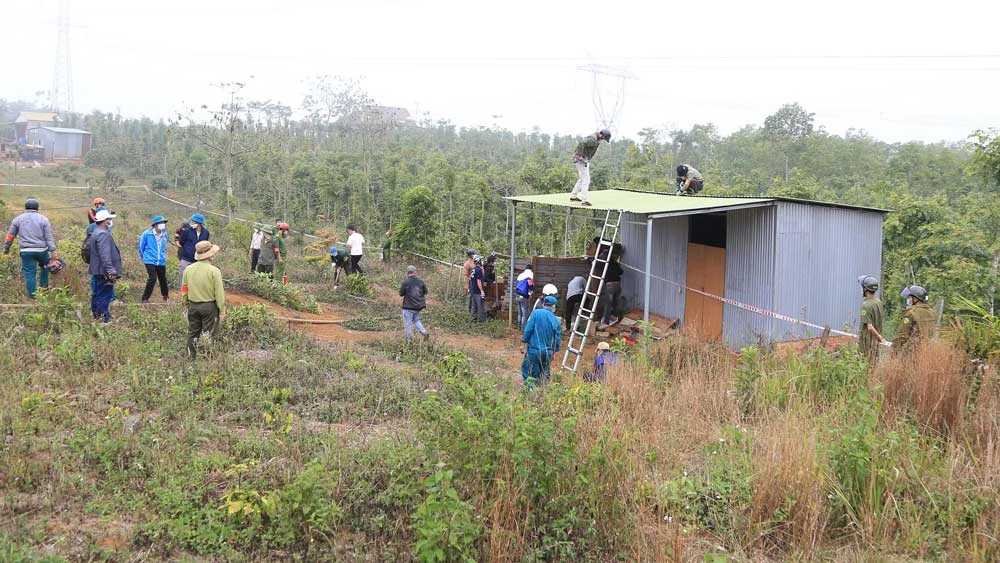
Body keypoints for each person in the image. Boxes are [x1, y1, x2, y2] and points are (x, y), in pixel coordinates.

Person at [4, 198, 61, 299]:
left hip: (26, 251)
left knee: (30, 274)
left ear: (25, 207)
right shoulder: (43, 219)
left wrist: (6, 248)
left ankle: (33, 297)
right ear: (37, 208)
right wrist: (53, 251)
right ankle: (44, 289)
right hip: (42, 251)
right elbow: (48, 237)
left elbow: (10, 236)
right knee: (45, 267)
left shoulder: (18, 219)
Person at [182, 240, 225, 360]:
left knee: (192, 333)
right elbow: (219, 294)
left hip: (192, 306)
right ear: (210, 255)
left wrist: (185, 305)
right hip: (209, 307)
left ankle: (191, 359)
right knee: (208, 334)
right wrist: (222, 310)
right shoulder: (214, 271)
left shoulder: (188, 269)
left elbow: (184, 289)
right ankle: (207, 359)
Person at [87, 209, 121, 323]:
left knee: (97, 293)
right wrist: (111, 270)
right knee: (104, 294)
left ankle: (96, 316)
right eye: (109, 219)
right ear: (104, 221)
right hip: (103, 271)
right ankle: (103, 318)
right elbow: (105, 254)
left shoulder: (96, 232)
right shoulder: (103, 234)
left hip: (97, 269)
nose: (110, 221)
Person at [520, 295, 562, 388]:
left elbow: (528, 329)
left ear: (543, 304)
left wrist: (523, 343)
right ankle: (543, 393)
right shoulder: (556, 320)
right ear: (554, 307)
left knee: (528, 370)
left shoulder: (535, 313)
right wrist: (554, 352)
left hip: (534, 351)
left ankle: (529, 392)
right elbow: (557, 338)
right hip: (548, 352)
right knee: (545, 373)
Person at [569, 128, 611, 207]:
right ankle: (585, 200)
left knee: (582, 179)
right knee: (586, 180)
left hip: (583, 160)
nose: (604, 140)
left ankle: (573, 196)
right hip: (581, 160)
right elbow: (581, 143)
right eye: (604, 138)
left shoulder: (596, 138)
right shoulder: (593, 139)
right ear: (602, 135)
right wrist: (580, 155)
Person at [138, 215, 170, 303]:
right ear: (155, 225)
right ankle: (145, 298)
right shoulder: (147, 234)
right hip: (149, 259)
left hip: (161, 260)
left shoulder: (165, 234)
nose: (163, 225)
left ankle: (165, 296)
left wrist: (163, 256)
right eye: (161, 223)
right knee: (152, 278)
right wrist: (144, 257)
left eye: (164, 223)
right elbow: (141, 247)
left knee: (162, 278)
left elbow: (164, 247)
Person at [893, 285, 936, 351]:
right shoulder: (932, 312)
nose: (909, 300)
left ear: (915, 299)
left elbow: (902, 335)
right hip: (927, 350)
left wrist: (894, 348)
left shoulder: (911, 313)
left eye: (909, 298)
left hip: (911, 351)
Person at [857, 275, 886, 364]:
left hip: (867, 342)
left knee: (865, 364)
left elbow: (869, 327)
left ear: (865, 289)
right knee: (874, 364)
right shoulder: (878, 302)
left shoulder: (865, 305)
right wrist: (879, 337)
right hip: (875, 342)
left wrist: (879, 337)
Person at [178, 213, 210, 289]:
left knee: (196, 278)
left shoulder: (206, 233)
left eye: (194, 222)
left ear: (199, 223)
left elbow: (204, 244)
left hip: (198, 259)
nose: (192, 223)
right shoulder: (187, 231)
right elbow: (181, 242)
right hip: (186, 258)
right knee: (183, 277)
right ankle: (183, 294)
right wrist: (188, 249)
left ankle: (194, 294)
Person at [400, 264, 429, 341]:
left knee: (407, 324)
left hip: (408, 307)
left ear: (407, 273)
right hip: (418, 306)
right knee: (416, 320)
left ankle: (409, 341)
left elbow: (401, 293)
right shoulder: (421, 281)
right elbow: (425, 292)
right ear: (415, 272)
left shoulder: (405, 282)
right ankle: (424, 332)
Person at [598, 255, 624, 329]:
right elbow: (621, 272)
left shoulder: (604, 263)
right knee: (615, 302)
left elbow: (595, 264)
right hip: (618, 284)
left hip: (610, 285)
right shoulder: (616, 264)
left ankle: (606, 321)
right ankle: (615, 317)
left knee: (608, 304)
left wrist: (589, 259)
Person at [515, 264, 534, 328]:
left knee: (519, 313)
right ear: (531, 269)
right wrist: (531, 293)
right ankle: (523, 328)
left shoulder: (521, 275)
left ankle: (518, 326)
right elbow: (530, 285)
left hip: (517, 295)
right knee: (524, 314)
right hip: (524, 297)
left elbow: (517, 285)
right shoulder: (530, 274)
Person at [469, 255, 486, 323]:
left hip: (473, 290)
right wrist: (482, 291)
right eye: (481, 260)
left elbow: (471, 279)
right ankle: (482, 321)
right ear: (479, 261)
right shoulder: (479, 270)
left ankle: (473, 320)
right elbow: (478, 281)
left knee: (474, 306)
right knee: (480, 306)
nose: (482, 262)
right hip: (477, 291)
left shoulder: (473, 269)